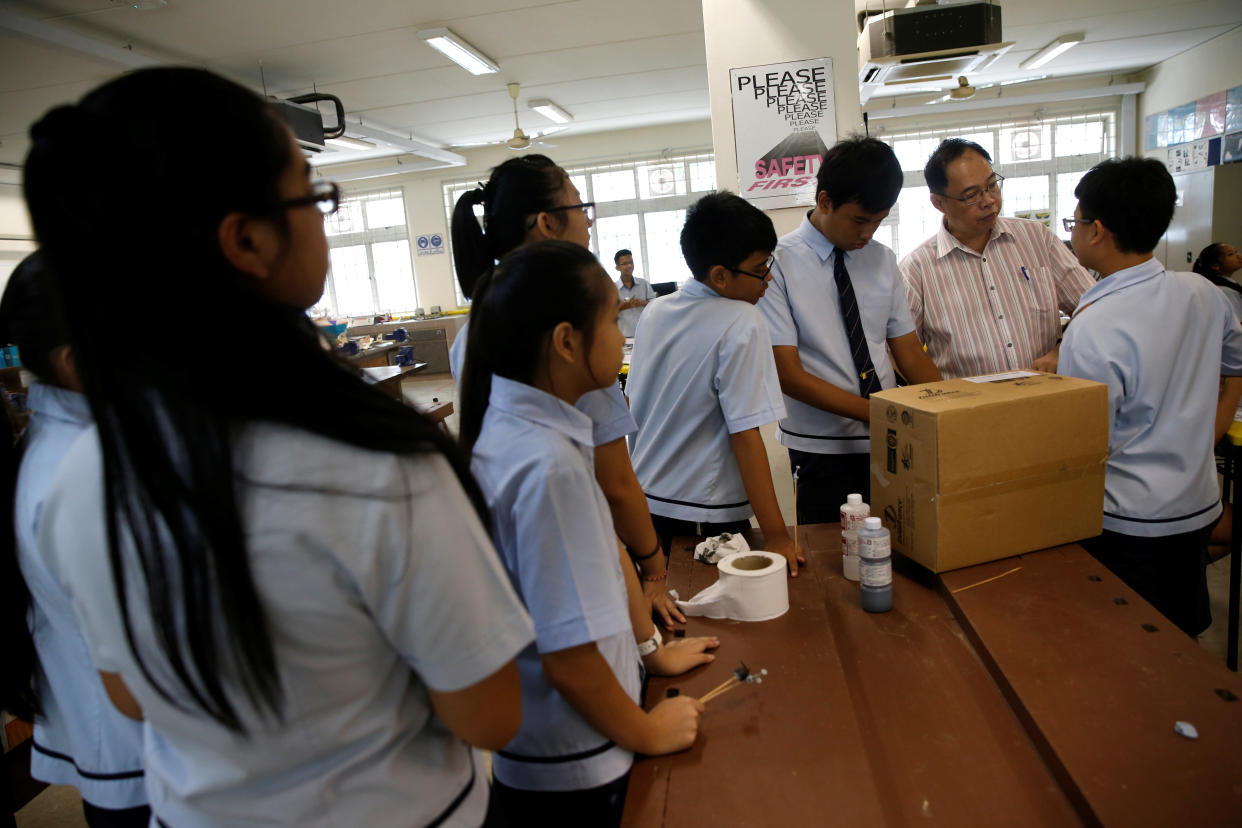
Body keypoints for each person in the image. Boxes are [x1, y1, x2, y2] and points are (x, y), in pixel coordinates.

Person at [24, 67, 533, 827]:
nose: (324, 218)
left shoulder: (78, 479)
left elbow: (129, 693)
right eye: (314, 194)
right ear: (248, 239)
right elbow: (489, 717)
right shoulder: (377, 466)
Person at [459, 241, 711, 827]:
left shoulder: (518, 428)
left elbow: (591, 571)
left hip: (559, 742)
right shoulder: (546, 467)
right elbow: (568, 658)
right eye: (610, 322)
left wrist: (647, 655)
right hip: (577, 764)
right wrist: (647, 730)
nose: (623, 336)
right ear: (567, 341)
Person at [450, 156, 684, 628]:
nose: (589, 219)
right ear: (548, 223)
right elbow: (615, 483)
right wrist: (655, 570)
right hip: (582, 582)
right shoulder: (573, 342)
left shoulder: (475, 324)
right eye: (580, 206)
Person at [1059, 157, 1242, 638]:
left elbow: (1084, 444)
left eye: (1074, 223)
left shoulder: (1096, 324)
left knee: (1132, 642)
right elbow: (1235, 368)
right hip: (1198, 502)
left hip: (1129, 519)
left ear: (1096, 230)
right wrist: (1207, 436)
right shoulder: (1203, 293)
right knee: (1182, 630)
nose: (1072, 232)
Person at [0, 253, 148, 827]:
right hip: (135, 752)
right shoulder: (77, 472)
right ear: (74, 360)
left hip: (118, 738)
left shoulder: (63, 442)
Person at [759, 137, 941, 523]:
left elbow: (907, 351)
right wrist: (880, 412)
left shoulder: (882, 260)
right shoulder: (777, 265)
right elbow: (787, 374)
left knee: (900, 546)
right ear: (824, 201)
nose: (868, 233)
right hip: (821, 449)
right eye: (860, 220)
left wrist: (947, 407)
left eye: (878, 221)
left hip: (890, 440)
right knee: (831, 560)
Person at [627, 193, 801, 575]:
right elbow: (745, 434)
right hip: (701, 517)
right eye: (760, 269)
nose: (769, 278)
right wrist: (776, 536)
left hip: (646, 509)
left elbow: (634, 405)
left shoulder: (656, 310)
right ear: (720, 275)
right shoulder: (741, 320)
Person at [899, 138, 1095, 378]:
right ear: (939, 202)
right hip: (968, 410)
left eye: (992, 185)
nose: (989, 201)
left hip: (1047, 398)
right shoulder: (917, 269)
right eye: (971, 195)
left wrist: (1060, 350)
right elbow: (903, 352)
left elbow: (1094, 307)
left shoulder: (1036, 238)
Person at [1192, 242, 1242, 321]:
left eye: (1236, 252)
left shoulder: (1223, 284)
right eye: (1231, 254)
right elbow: (1237, 323)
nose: (1238, 256)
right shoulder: (1225, 291)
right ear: (1216, 265)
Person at [614, 249, 654, 337]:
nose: (629, 265)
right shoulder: (613, 288)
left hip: (645, 333)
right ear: (617, 268)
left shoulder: (644, 283)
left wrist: (642, 302)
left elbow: (655, 305)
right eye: (625, 263)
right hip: (624, 336)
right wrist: (622, 307)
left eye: (631, 262)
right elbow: (607, 314)